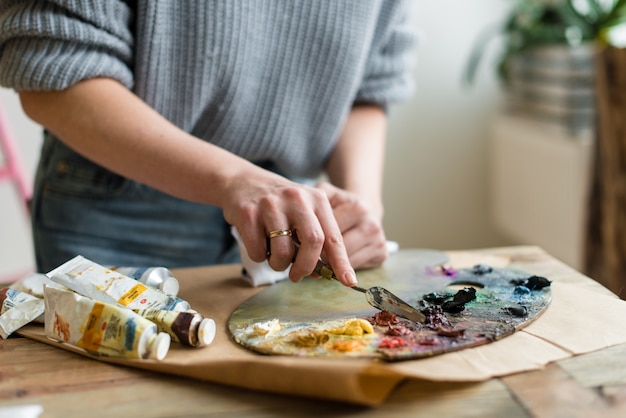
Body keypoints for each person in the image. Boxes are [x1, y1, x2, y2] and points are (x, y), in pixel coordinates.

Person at [0, 1, 417, 287]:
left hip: (290, 213)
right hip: (122, 204)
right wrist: (235, 180)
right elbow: (52, 67)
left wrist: (362, 208)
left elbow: (371, 81)